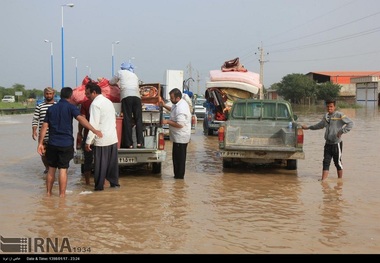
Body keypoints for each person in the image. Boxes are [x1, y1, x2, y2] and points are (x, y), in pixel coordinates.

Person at [37, 87, 102, 197]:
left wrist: (40, 143)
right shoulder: (71, 108)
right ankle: (62, 195)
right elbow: (81, 119)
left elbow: (44, 126)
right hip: (66, 144)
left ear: (60, 95)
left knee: (51, 169)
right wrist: (93, 129)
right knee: (63, 170)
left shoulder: (51, 109)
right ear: (71, 96)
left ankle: (48, 194)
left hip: (52, 143)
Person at [302, 99, 353, 181]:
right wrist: (308, 127)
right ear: (326, 107)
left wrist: (341, 131)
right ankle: (323, 180)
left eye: (331, 106)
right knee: (326, 162)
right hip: (328, 143)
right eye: (328, 106)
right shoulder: (326, 117)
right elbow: (319, 125)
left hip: (336, 144)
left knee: (338, 163)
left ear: (334, 107)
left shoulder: (339, 115)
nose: (329, 108)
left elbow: (350, 123)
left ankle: (340, 181)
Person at [84, 82, 120, 191]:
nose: (87, 96)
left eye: (88, 94)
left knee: (100, 166)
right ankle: (114, 185)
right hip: (112, 137)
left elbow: (93, 124)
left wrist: (88, 141)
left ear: (94, 92)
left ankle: (99, 188)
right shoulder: (108, 101)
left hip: (102, 138)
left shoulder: (95, 104)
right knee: (112, 165)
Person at [109, 62, 144, 148]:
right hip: (137, 97)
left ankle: (129, 144)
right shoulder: (134, 75)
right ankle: (140, 142)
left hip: (126, 96)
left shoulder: (120, 72)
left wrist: (113, 83)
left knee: (127, 120)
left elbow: (111, 81)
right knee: (138, 119)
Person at [160, 88, 192, 179]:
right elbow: (173, 109)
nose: (170, 99)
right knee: (175, 158)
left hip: (181, 137)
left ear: (177, 98)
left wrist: (167, 122)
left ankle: (179, 178)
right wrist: (164, 106)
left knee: (179, 160)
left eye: (172, 98)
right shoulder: (177, 104)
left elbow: (180, 124)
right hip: (176, 137)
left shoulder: (181, 108)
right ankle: (176, 177)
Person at [32, 87, 56, 174]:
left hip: (55, 135)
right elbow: (35, 119)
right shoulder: (40, 106)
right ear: (44, 94)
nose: (48, 95)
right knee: (43, 153)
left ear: (53, 94)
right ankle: (47, 168)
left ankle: (53, 168)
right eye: (47, 94)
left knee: (54, 153)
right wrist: (34, 131)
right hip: (43, 135)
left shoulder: (57, 105)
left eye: (50, 94)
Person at [76, 93, 93, 185]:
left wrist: (79, 132)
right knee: (101, 159)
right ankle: (101, 182)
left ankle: (87, 183)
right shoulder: (105, 102)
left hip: (88, 134)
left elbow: (82, 119)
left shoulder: (85, 104)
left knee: (87, 160)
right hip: (101, 135)